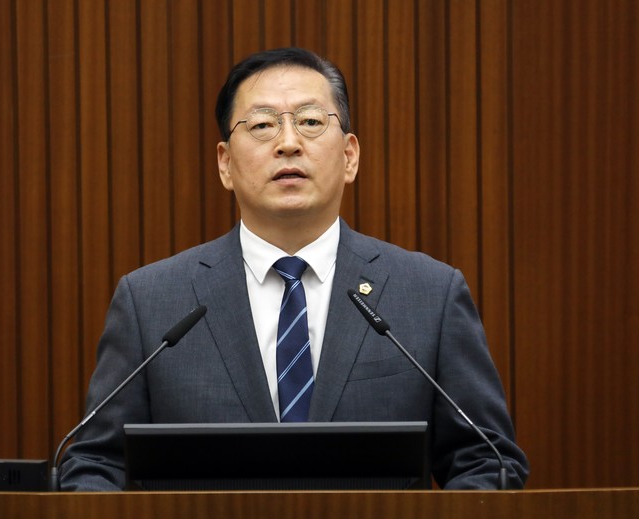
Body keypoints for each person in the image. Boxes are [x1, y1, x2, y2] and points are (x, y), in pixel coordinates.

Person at [59, 47, 529, 490]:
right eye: (262, 125)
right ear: (225, 164)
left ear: (349, 156)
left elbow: (486, 460)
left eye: (309, 122)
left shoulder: (429, 294)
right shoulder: (152, 301)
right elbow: (97, 463)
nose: (288, 143)